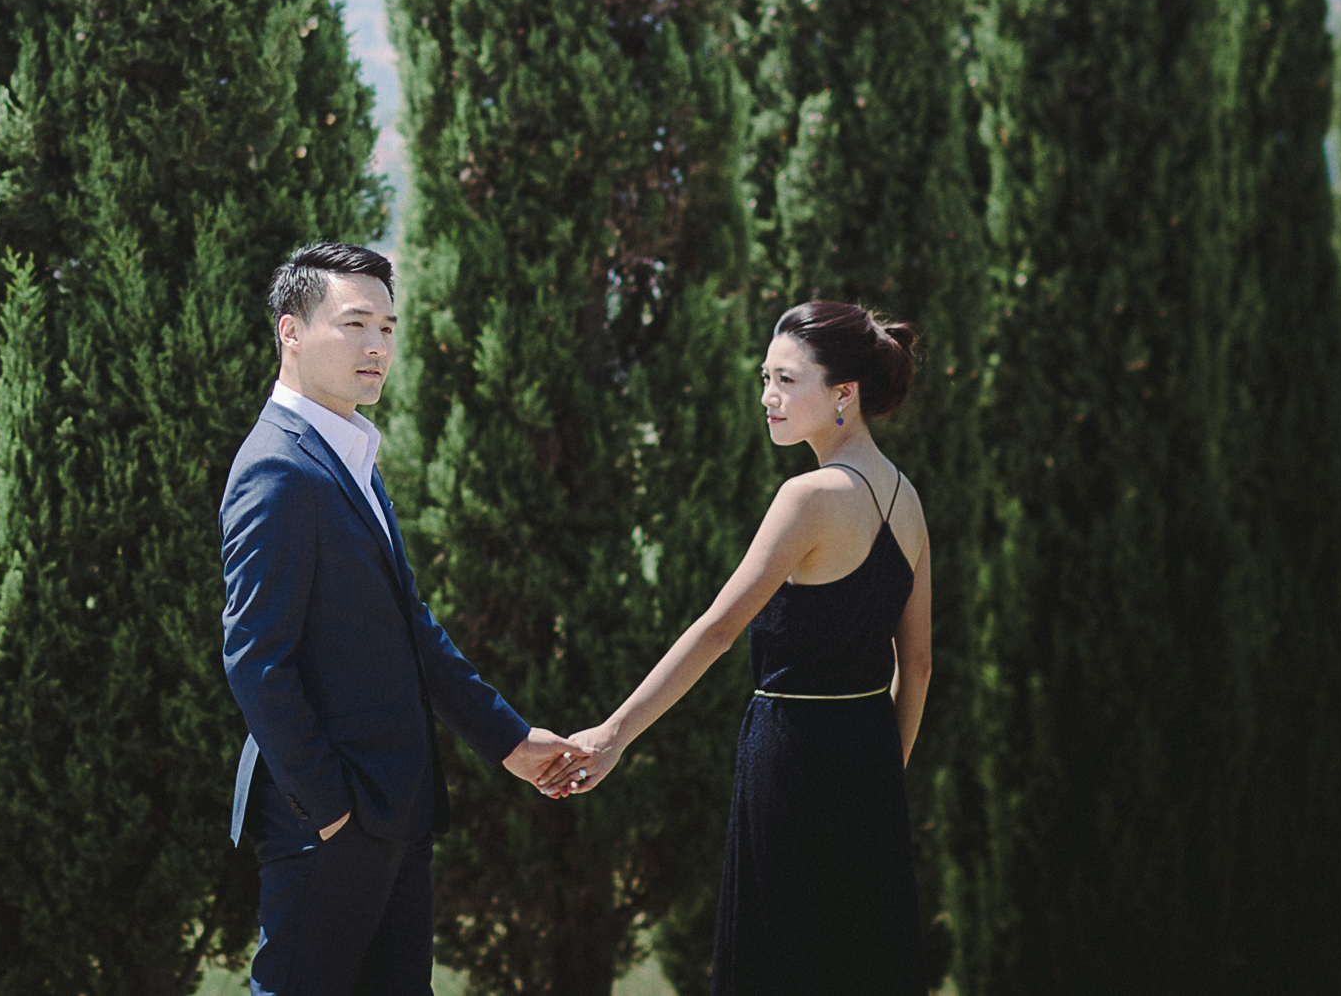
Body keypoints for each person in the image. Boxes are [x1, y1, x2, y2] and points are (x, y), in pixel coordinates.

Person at [221, 241, 576, 996]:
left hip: (397, 811)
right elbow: (255, 660)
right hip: (332, 825)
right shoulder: (277, 469)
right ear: (290, 331)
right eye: (354, 324)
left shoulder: (347, 451)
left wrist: (509, 739)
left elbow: (410, 628)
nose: (377, 346)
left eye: (387, 326)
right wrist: (332, 814)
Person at [547, 300, 932, 995]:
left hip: (792, 757)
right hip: (869, 761)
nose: (767, 397)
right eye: (764, 377)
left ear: (844, 393)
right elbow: (922, 661)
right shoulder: (906, 497)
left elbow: (719, 629)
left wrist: (613, 732)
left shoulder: (808, 495)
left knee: (780, 964)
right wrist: (883, 775)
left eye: (787, 379)